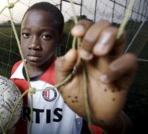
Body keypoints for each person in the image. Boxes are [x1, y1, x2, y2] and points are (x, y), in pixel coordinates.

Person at [10, 2, 137, 134]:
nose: (33, 45)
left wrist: (109, 121)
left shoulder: (71, 78)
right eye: (26, 34)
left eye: (45, 36)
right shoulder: (16, 69)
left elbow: (123, 128)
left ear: (60, 39)